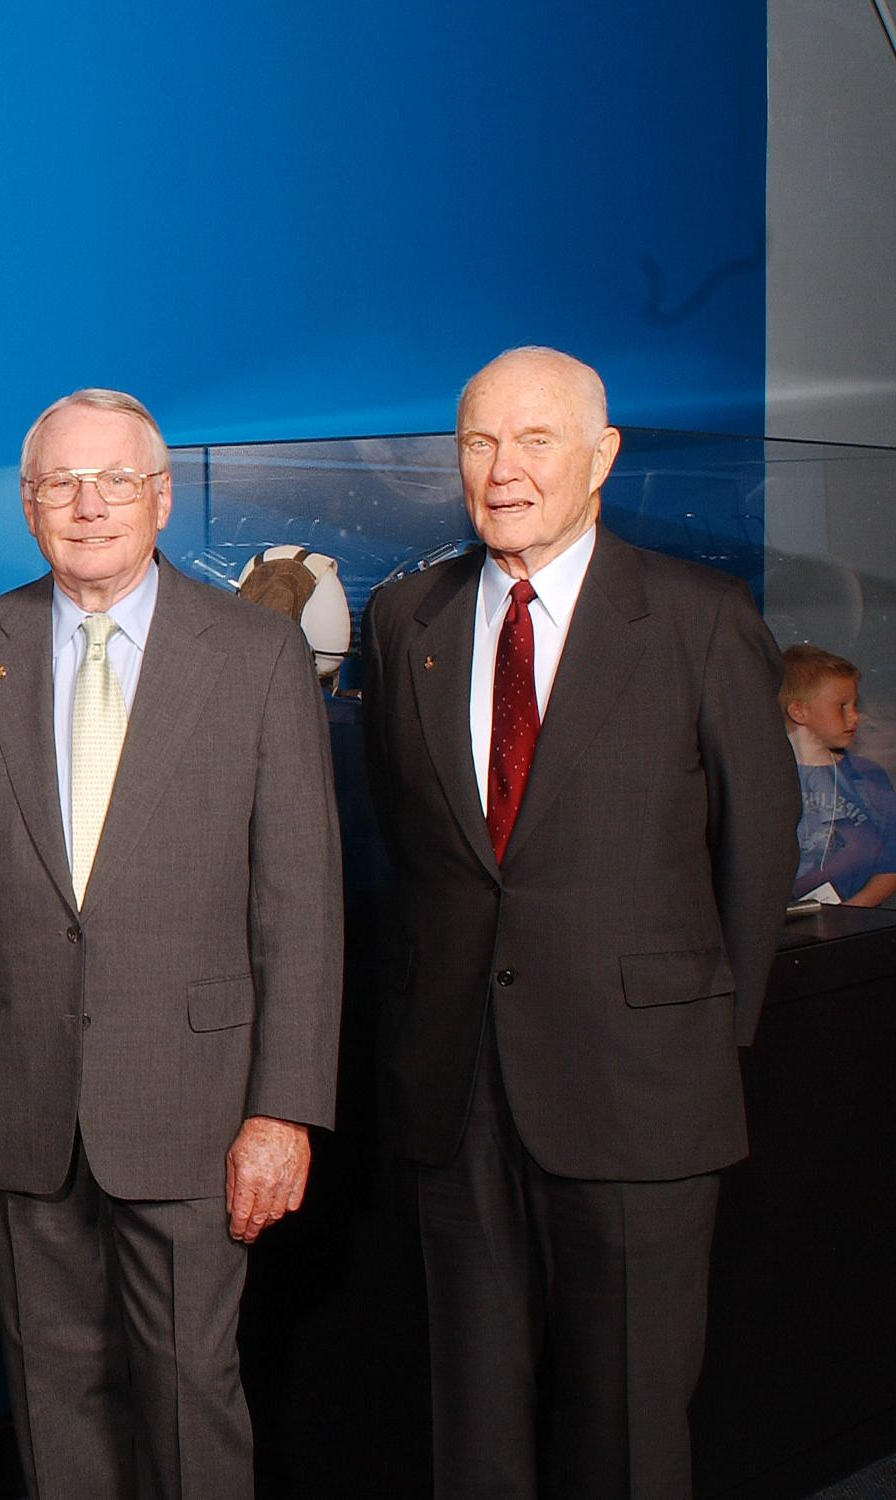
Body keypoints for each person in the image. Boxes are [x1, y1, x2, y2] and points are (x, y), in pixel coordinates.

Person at [360, 346, 799, 1498]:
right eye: (479, 443)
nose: (504, 470)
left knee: (630, 1427)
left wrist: (705, 1036)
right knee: (472, 1421)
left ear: (602, 456)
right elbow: (401, 853)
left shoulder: (702, 619)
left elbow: (760, 849)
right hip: (456, 1094)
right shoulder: (407, 618)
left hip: (640, 1087)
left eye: (536, 439)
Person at [0, 388, 344, 1499]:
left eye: (114, 482)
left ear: (161, 496)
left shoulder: (255, 654)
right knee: (53, 1392)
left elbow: (302, 901)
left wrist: (283, 1113)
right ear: (28, 503)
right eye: (60, 483)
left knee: (192, 1392)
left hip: (198, 1107)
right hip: (16, 1102)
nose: (87, 506)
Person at [781, 643, 896, 906]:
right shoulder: (765, 779)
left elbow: (891, 863)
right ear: (799, 710)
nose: (855, 717)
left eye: (855, 704)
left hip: (852, 925)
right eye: (841, 706)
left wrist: (851, 912)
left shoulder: (868, 778)